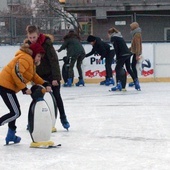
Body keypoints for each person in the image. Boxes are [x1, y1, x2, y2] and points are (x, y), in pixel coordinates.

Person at [0, 43, 51, 145]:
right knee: (15, 112)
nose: (39, 59)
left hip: (8, 86)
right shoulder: (26, 58)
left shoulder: (30, 62)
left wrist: (45, 83)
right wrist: (24, 88)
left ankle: (11, 134)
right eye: (38, 56)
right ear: (34, 54)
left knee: (14, 111)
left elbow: (33, 76)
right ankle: (10, 133)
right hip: (5, 85)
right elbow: (16, 73)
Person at [25, 25, 70, 130]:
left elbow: (53, 60)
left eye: (34, 37)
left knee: (56, 96)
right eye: (30, 37)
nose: (32, 40)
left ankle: (63, 118)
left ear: (38, 35)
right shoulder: (27, 46)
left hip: (51, 75)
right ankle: (32, 121)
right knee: (36, 98)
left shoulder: (46, 43)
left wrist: (55, 78)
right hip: (38, 76)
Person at [108, 27, 140, 91]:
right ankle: (136, 81)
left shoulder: (113, 38)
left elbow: (116, 49)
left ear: (110, 33)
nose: (108, 36)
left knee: (117, 69)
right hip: (127, 54)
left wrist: (117, 57)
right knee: (128, 68)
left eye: (108, 34)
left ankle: (118, 84)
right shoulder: (119, 36)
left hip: (122, 55)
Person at [128, 22, 142, 89]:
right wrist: (129, 49)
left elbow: (138, 45)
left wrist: (137, 54)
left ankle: (135, 80)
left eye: (131, 27)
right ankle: (135, 80)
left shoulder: (137, 35)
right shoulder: (136, 34)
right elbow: (134, 45)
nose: (130, 28)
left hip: (135, 52)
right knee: (133, 66)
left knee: (133, 66)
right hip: (134, 52)